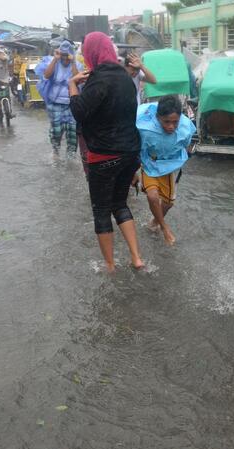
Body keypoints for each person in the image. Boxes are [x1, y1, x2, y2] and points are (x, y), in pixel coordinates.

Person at [70, 32, 145, 272]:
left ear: (92, 52)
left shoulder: (99, 79)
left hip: (104, 154)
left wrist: (72, 85)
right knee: (120, 204)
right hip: (130, 152)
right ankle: (136, 258)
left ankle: (110, 266)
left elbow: (80, 112)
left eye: (85, 50)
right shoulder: (124, 76)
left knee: (101, 210)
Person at [136, 95, 196, 245]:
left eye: (175, 122)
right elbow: (136, 149)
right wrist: (134, 171)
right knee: (152, 196)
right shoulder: (145, 129)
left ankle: (155, 222)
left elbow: (187, 145)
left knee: (168, 203)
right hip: (150, 164)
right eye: (166, 122)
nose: (171, 126)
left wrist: (187, 154)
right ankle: (164, 227)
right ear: (157, 117)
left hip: (169, 166)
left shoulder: (185, 129)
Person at [37, 40, 78, 158]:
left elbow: (77, 79)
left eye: (67, 56)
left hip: (71, 104)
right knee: (57, 131)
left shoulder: (75, 64)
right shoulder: (52, 62)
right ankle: (55, 151)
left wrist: (73, 61)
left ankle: (71, 158)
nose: (65, 59)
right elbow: (46, 75)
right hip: (55, 104)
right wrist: (55, 59)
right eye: (63, 56)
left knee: (72, 132)